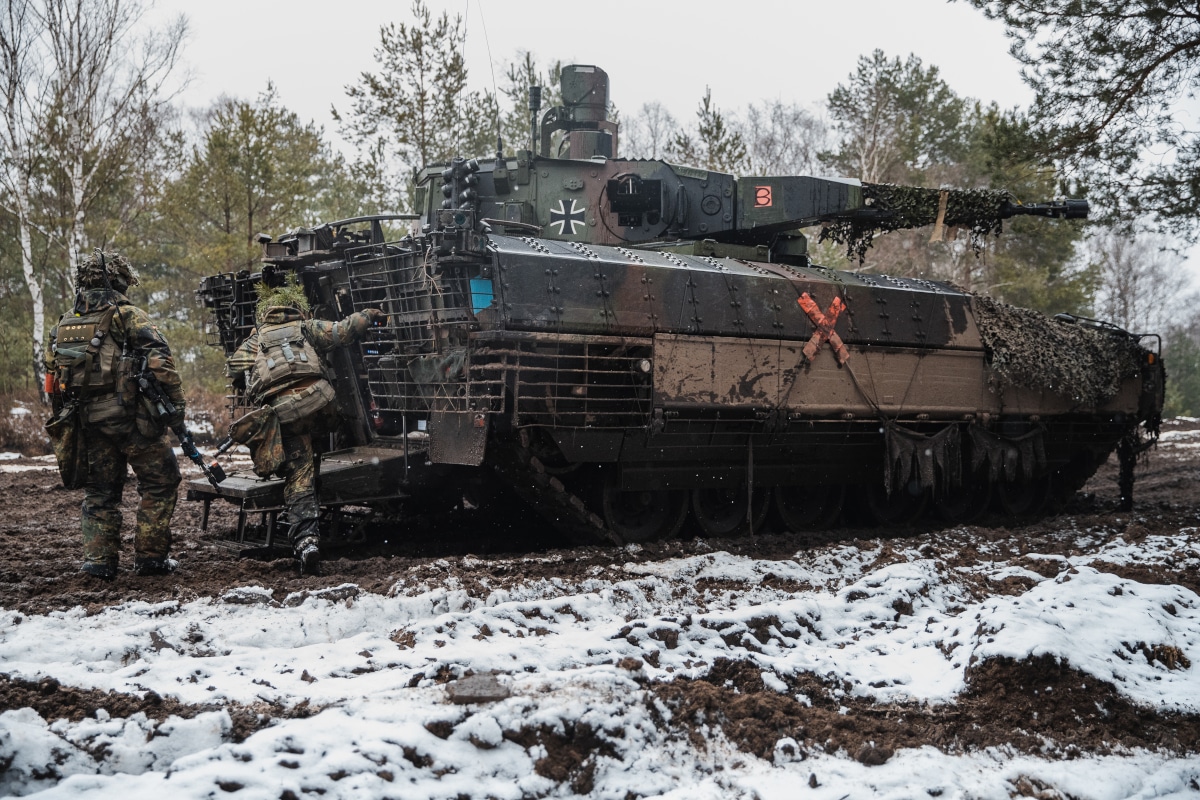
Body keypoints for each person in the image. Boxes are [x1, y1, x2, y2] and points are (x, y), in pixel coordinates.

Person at [224, 277, 385, 574]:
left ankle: (306, 541)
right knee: (315, 453)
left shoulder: (256, 339)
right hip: (320, 405)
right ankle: (313, 499)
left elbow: (233, 368)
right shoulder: (307, 327)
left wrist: (251, 376)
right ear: (296, 309)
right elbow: (344, 330)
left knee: (299, 473)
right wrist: (370, 314)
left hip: (284, 414)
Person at [46, 249, 184, 580]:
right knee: (161, 481)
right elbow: (161, 364)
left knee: (100, 492)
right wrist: (176, 410)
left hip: (88, 422)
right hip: (133, 421)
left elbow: (53, 380)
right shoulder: (129, 316)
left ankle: (98, 562)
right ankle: (150, 558)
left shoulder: (64, 324)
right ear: (121, 280)